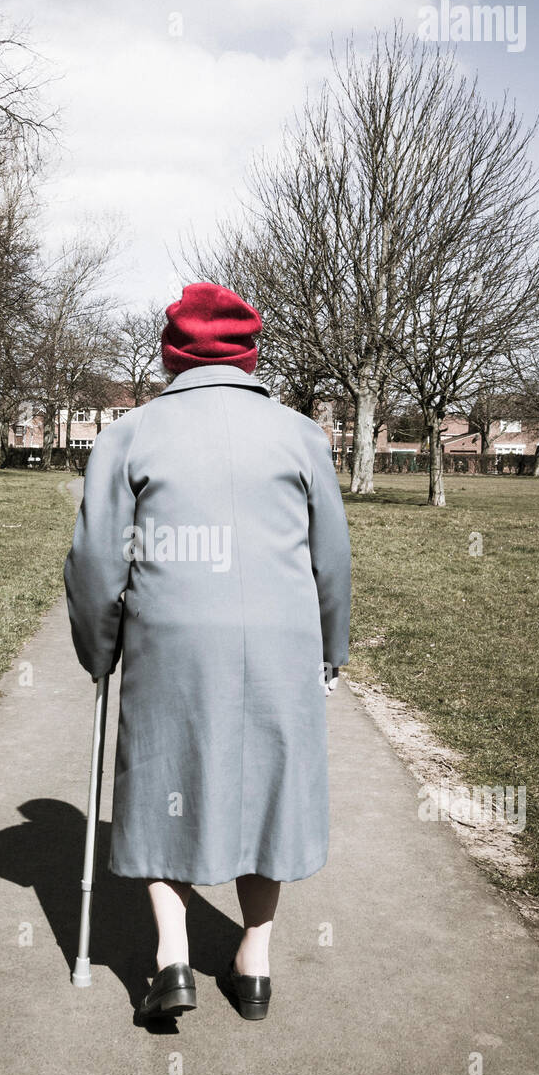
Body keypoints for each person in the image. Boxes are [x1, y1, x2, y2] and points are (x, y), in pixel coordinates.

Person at [64, 282, 351, 1022]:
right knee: (270, 788)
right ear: (251, 354)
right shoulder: (299, 433)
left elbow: (98, 563)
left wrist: (97, 649)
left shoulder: (129, 434)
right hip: (283, 637)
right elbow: (331, 560)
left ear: (170, 354)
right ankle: (253, 964)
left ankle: (171, 958)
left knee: (165, 778)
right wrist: (331, 647)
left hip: (172, 639)